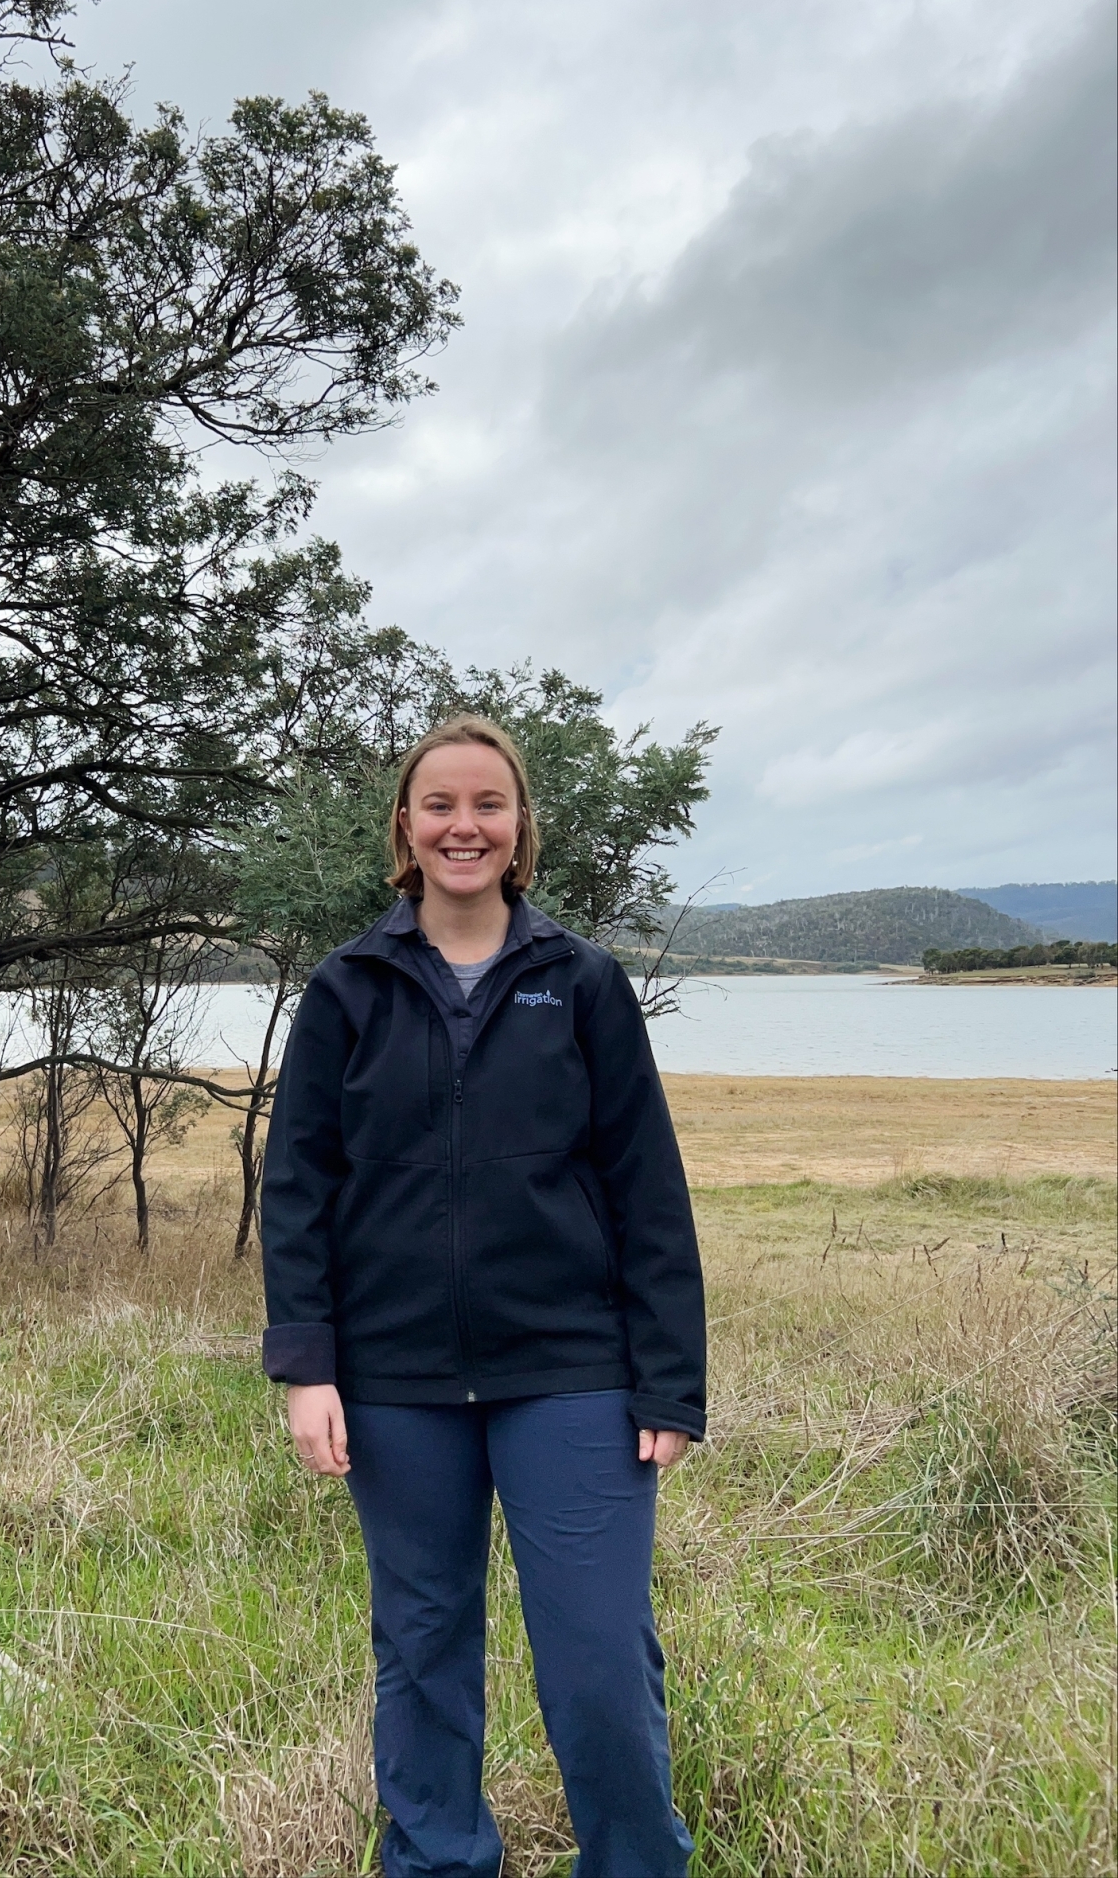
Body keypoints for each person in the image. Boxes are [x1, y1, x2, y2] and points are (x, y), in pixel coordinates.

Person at [260, 715, 705, 1878]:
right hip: (394, 1378)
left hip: (571, 1371)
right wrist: (307, 1364)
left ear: (519, 831)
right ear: (405, 830)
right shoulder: (347, 986)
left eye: (487, 805)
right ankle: (440, 1860)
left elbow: (646, 1192)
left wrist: (668, 1379)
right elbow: (298, 1185)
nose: (464, 824)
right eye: (439, 804)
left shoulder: (582, 981)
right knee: (421, 1645)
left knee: (598, 1656)